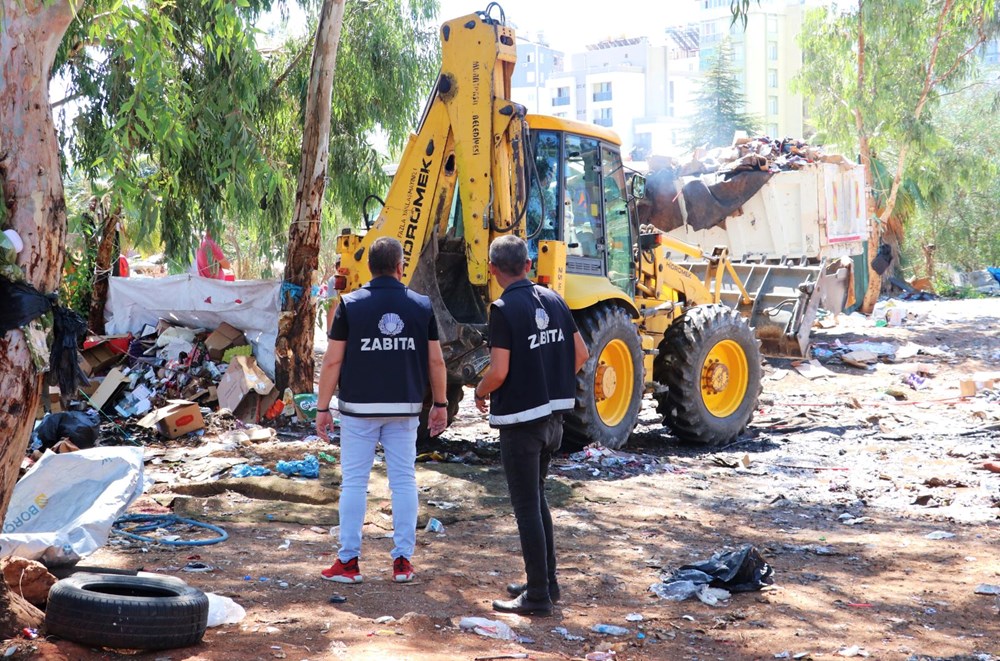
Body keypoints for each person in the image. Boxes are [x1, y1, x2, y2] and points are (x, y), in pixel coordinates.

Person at [315, 237, 448, 584]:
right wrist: (440, 404)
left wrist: (322, 407)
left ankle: (348, 562)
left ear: (370, 268)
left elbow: (332, 362)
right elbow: (436, 360)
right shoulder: (421, 306)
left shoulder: (350, 304)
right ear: (401, 266)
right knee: (403, 481)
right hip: (405, 409)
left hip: (358, 409)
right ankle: (403, 561)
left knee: (355, 484)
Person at [473, 235, 589, 616]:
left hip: (522, 424)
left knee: (527, 506)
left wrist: (480, 388)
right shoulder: (554, 299)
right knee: (537, 501)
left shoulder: (503, 309)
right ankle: (546, 582)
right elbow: (582, 353)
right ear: (527, 265)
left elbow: (500, 371)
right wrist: (550, 382)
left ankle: (537, 595)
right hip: (554, 420)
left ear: (492, 269)